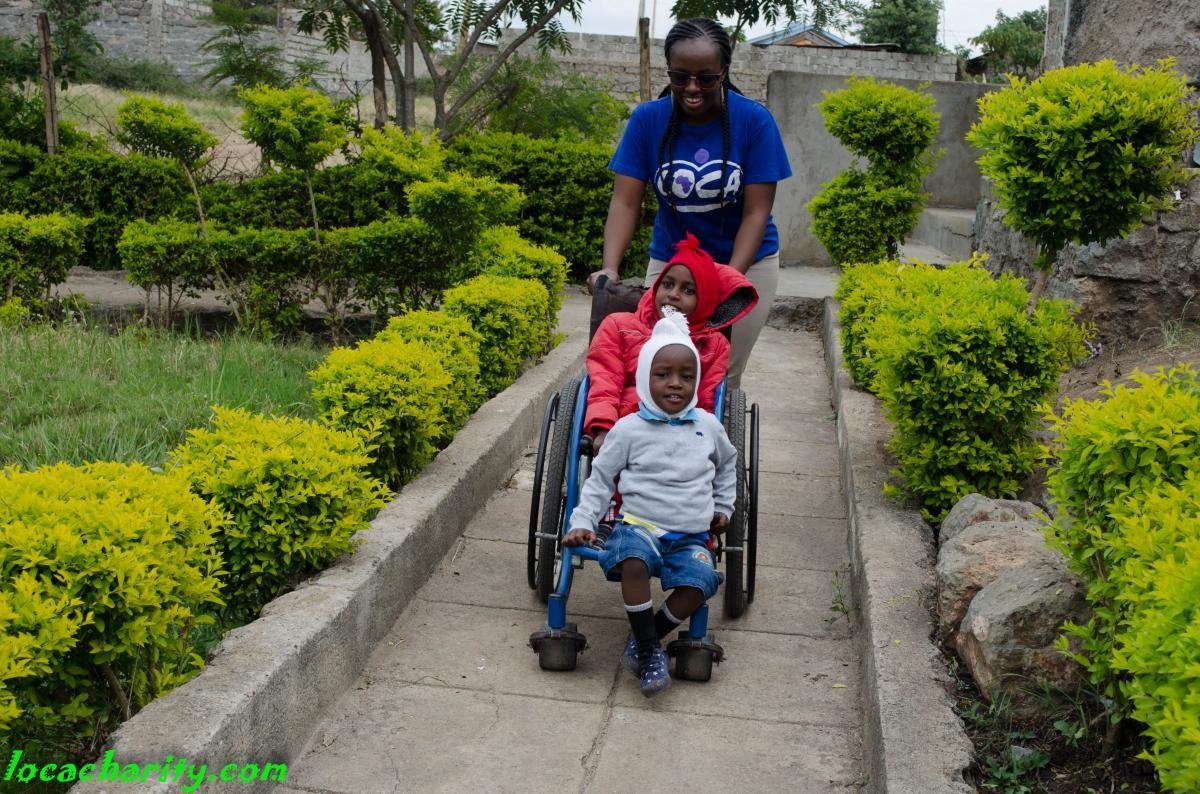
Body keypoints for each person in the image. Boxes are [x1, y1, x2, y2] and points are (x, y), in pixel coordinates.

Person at [589, 17, 793, 389]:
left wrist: (727, 281)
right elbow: (625, 203)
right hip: (673, 265)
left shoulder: (754, 122)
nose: (692, 87)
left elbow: (756, 212)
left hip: (745, 265)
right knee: (654, 365)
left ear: (724, 72)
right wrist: (610, 268)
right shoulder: (648, 120)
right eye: (680, 76)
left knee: (717, 378)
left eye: (706, 78)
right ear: (669, 70)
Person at [563, 310, 737, 697]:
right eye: (663, 375)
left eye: (686, 376)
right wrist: (583, 521)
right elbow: (600, 480)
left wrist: (724, 506)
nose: (675, 383)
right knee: (633, 562)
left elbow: (728, 465)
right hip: (638, 526)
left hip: (691, 535)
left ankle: (647, 638)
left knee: (702, 582)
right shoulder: (629, 429)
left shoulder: (708, 426)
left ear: (695, 381)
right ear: (645, 377)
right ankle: (649, 651)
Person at [585, 231, 756, 452]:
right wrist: (604, 427)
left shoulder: (713, 346)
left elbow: (706, 403)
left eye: (688, 290)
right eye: (667, 284)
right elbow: (605, 379)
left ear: (704, 300)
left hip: (680, 435)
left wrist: (700, 440)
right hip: (622, 427)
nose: (673, 294)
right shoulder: (619, 326)